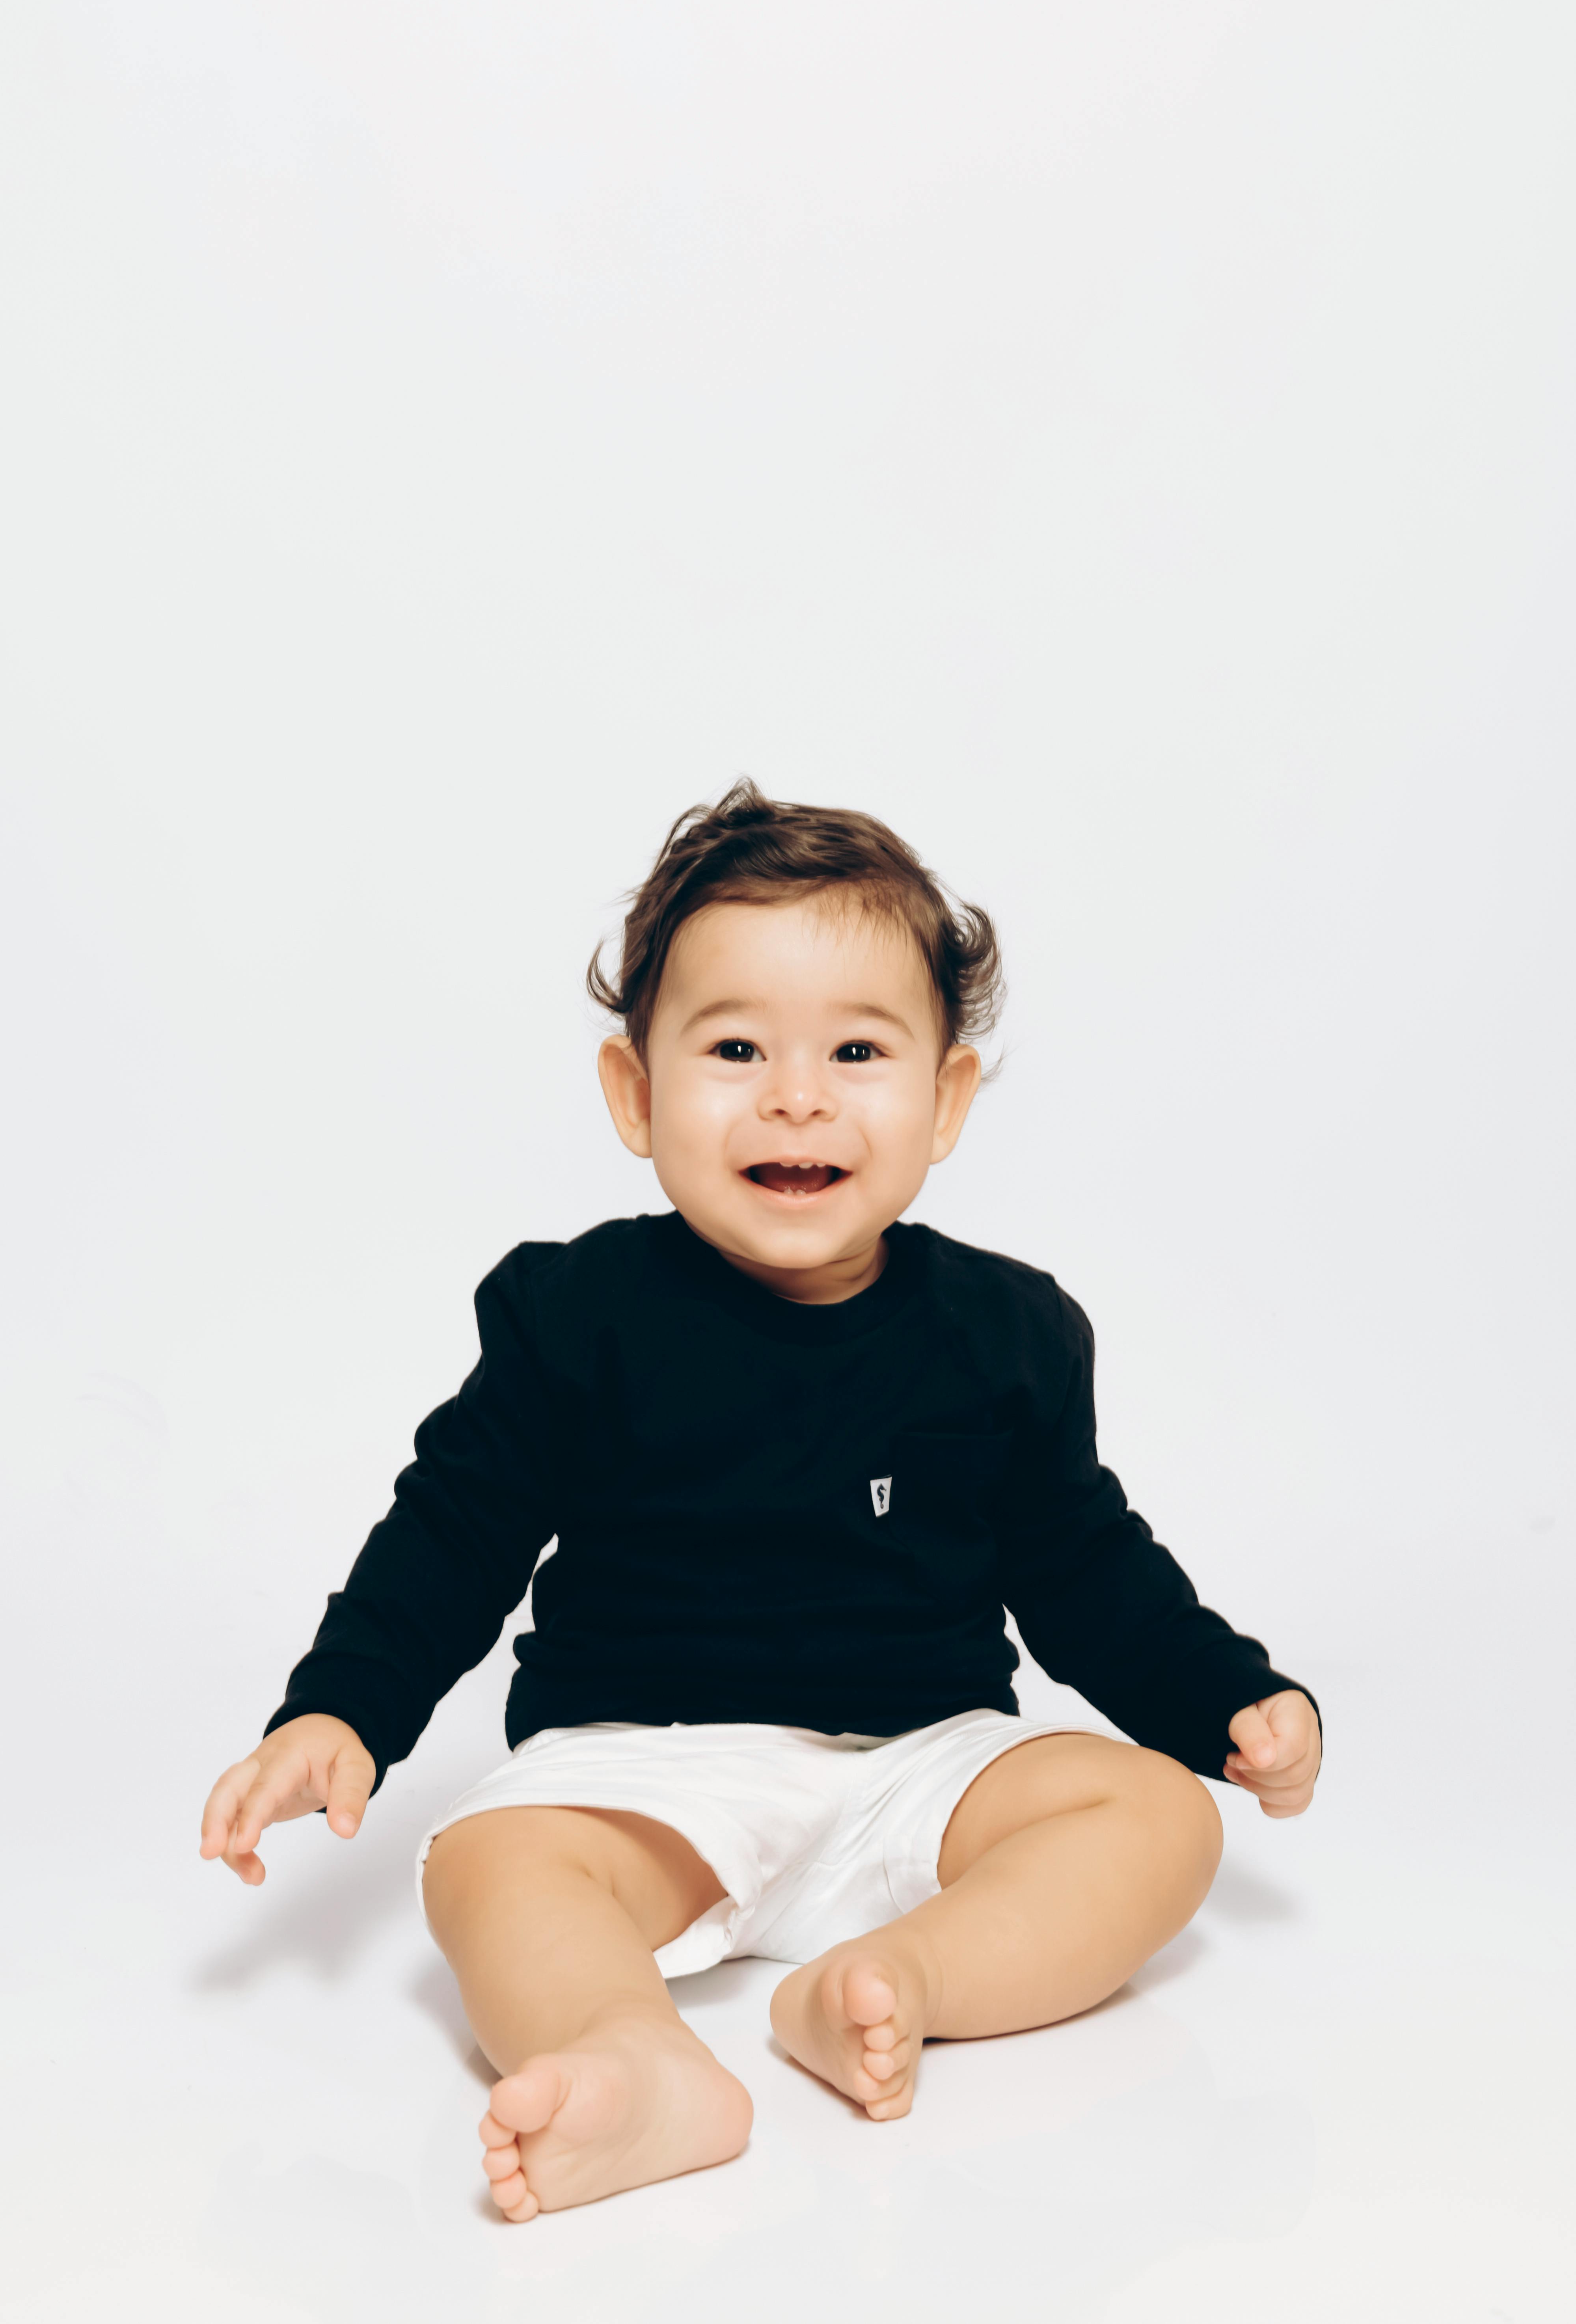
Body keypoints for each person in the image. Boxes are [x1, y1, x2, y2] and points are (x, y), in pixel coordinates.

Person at [200, 779, 1322, 2223]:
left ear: (946, 1100)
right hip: (646, 1775)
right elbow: (455, 1527)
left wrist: (1223, 1697)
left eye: (859, 1050)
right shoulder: (579, 1313)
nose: (797, 1094)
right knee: (492, 1863)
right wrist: (340, 1711)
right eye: (735, 1047)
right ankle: (635, 2059)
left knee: (1157, 1817)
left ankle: (905, 1977)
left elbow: (1085, 1563)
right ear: (636, 1092)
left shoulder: (1006, 1333)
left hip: (925, 1767)